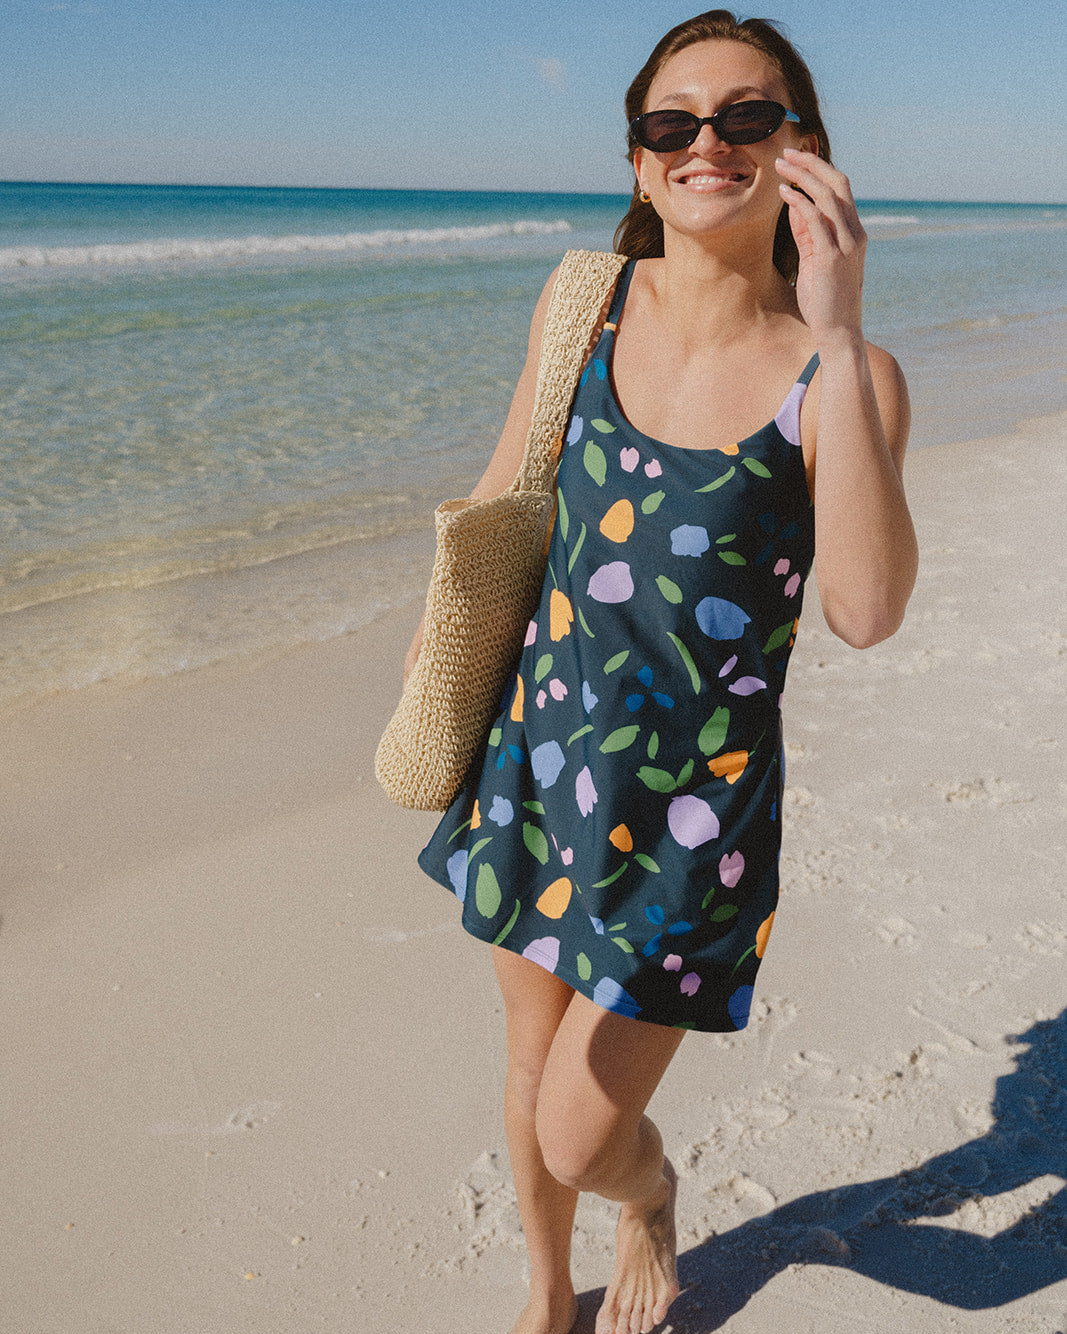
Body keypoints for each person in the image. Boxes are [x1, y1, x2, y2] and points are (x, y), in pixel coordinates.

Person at [408, 11, 917, 1333]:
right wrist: (434, 662)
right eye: (672, 122)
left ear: (803, 149)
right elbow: (503, 496)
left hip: (699, 818)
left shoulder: (842, 376)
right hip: (544, 751)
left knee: (584, 1127)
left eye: (750, 116)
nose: (709, 142)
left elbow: (865, 608)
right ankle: (543, 1295)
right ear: (638, 161)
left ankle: (648, 1198)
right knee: (527, 1064)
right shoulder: (585, 302)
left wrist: (844, 324)